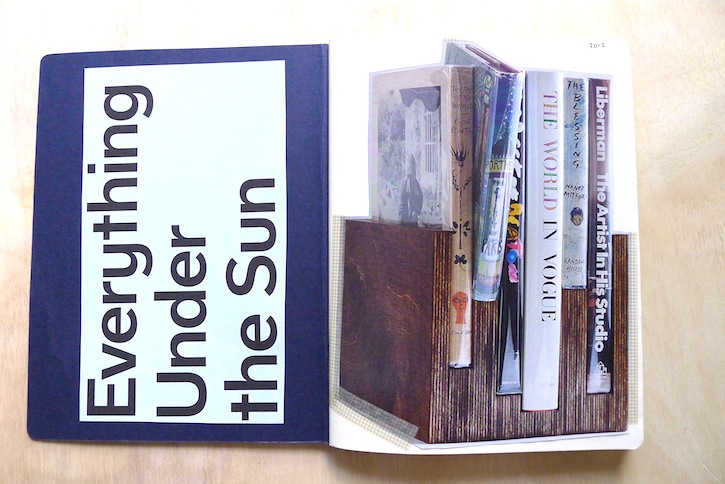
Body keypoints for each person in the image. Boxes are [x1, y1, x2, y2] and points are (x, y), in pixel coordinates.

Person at [398, 154, 423, 225]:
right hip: (404, 220)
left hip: (413, 219)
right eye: (410, 166)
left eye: (413, 166)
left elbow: (420, 198)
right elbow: (402, 205)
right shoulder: (403, 183)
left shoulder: (416, 183)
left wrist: (416, 212)